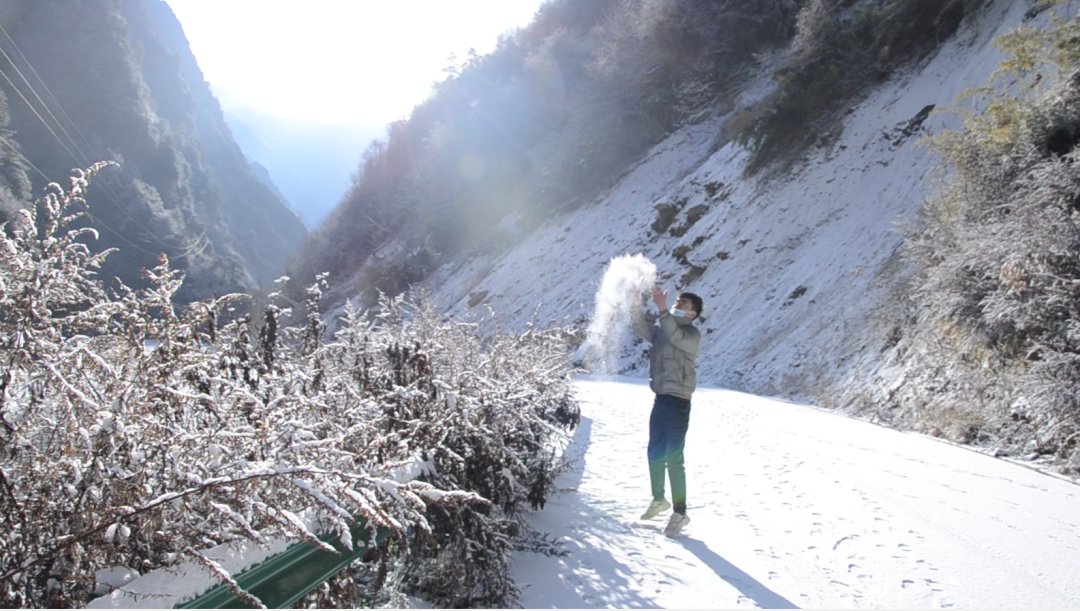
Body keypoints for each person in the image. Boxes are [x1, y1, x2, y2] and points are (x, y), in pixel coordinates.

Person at [631, 285, 703, 537]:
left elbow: (674, 335)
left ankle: (681, 512)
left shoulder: (691, 335)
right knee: (654, 452)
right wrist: (635, 301)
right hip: (661, 398)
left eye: (684, 304)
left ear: (693, 314)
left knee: (674, 457)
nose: (678, 304)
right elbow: (641, 328)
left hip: (679, 401)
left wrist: (662, 309)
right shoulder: (664, 328)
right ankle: (659, 500)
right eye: (678, 301)